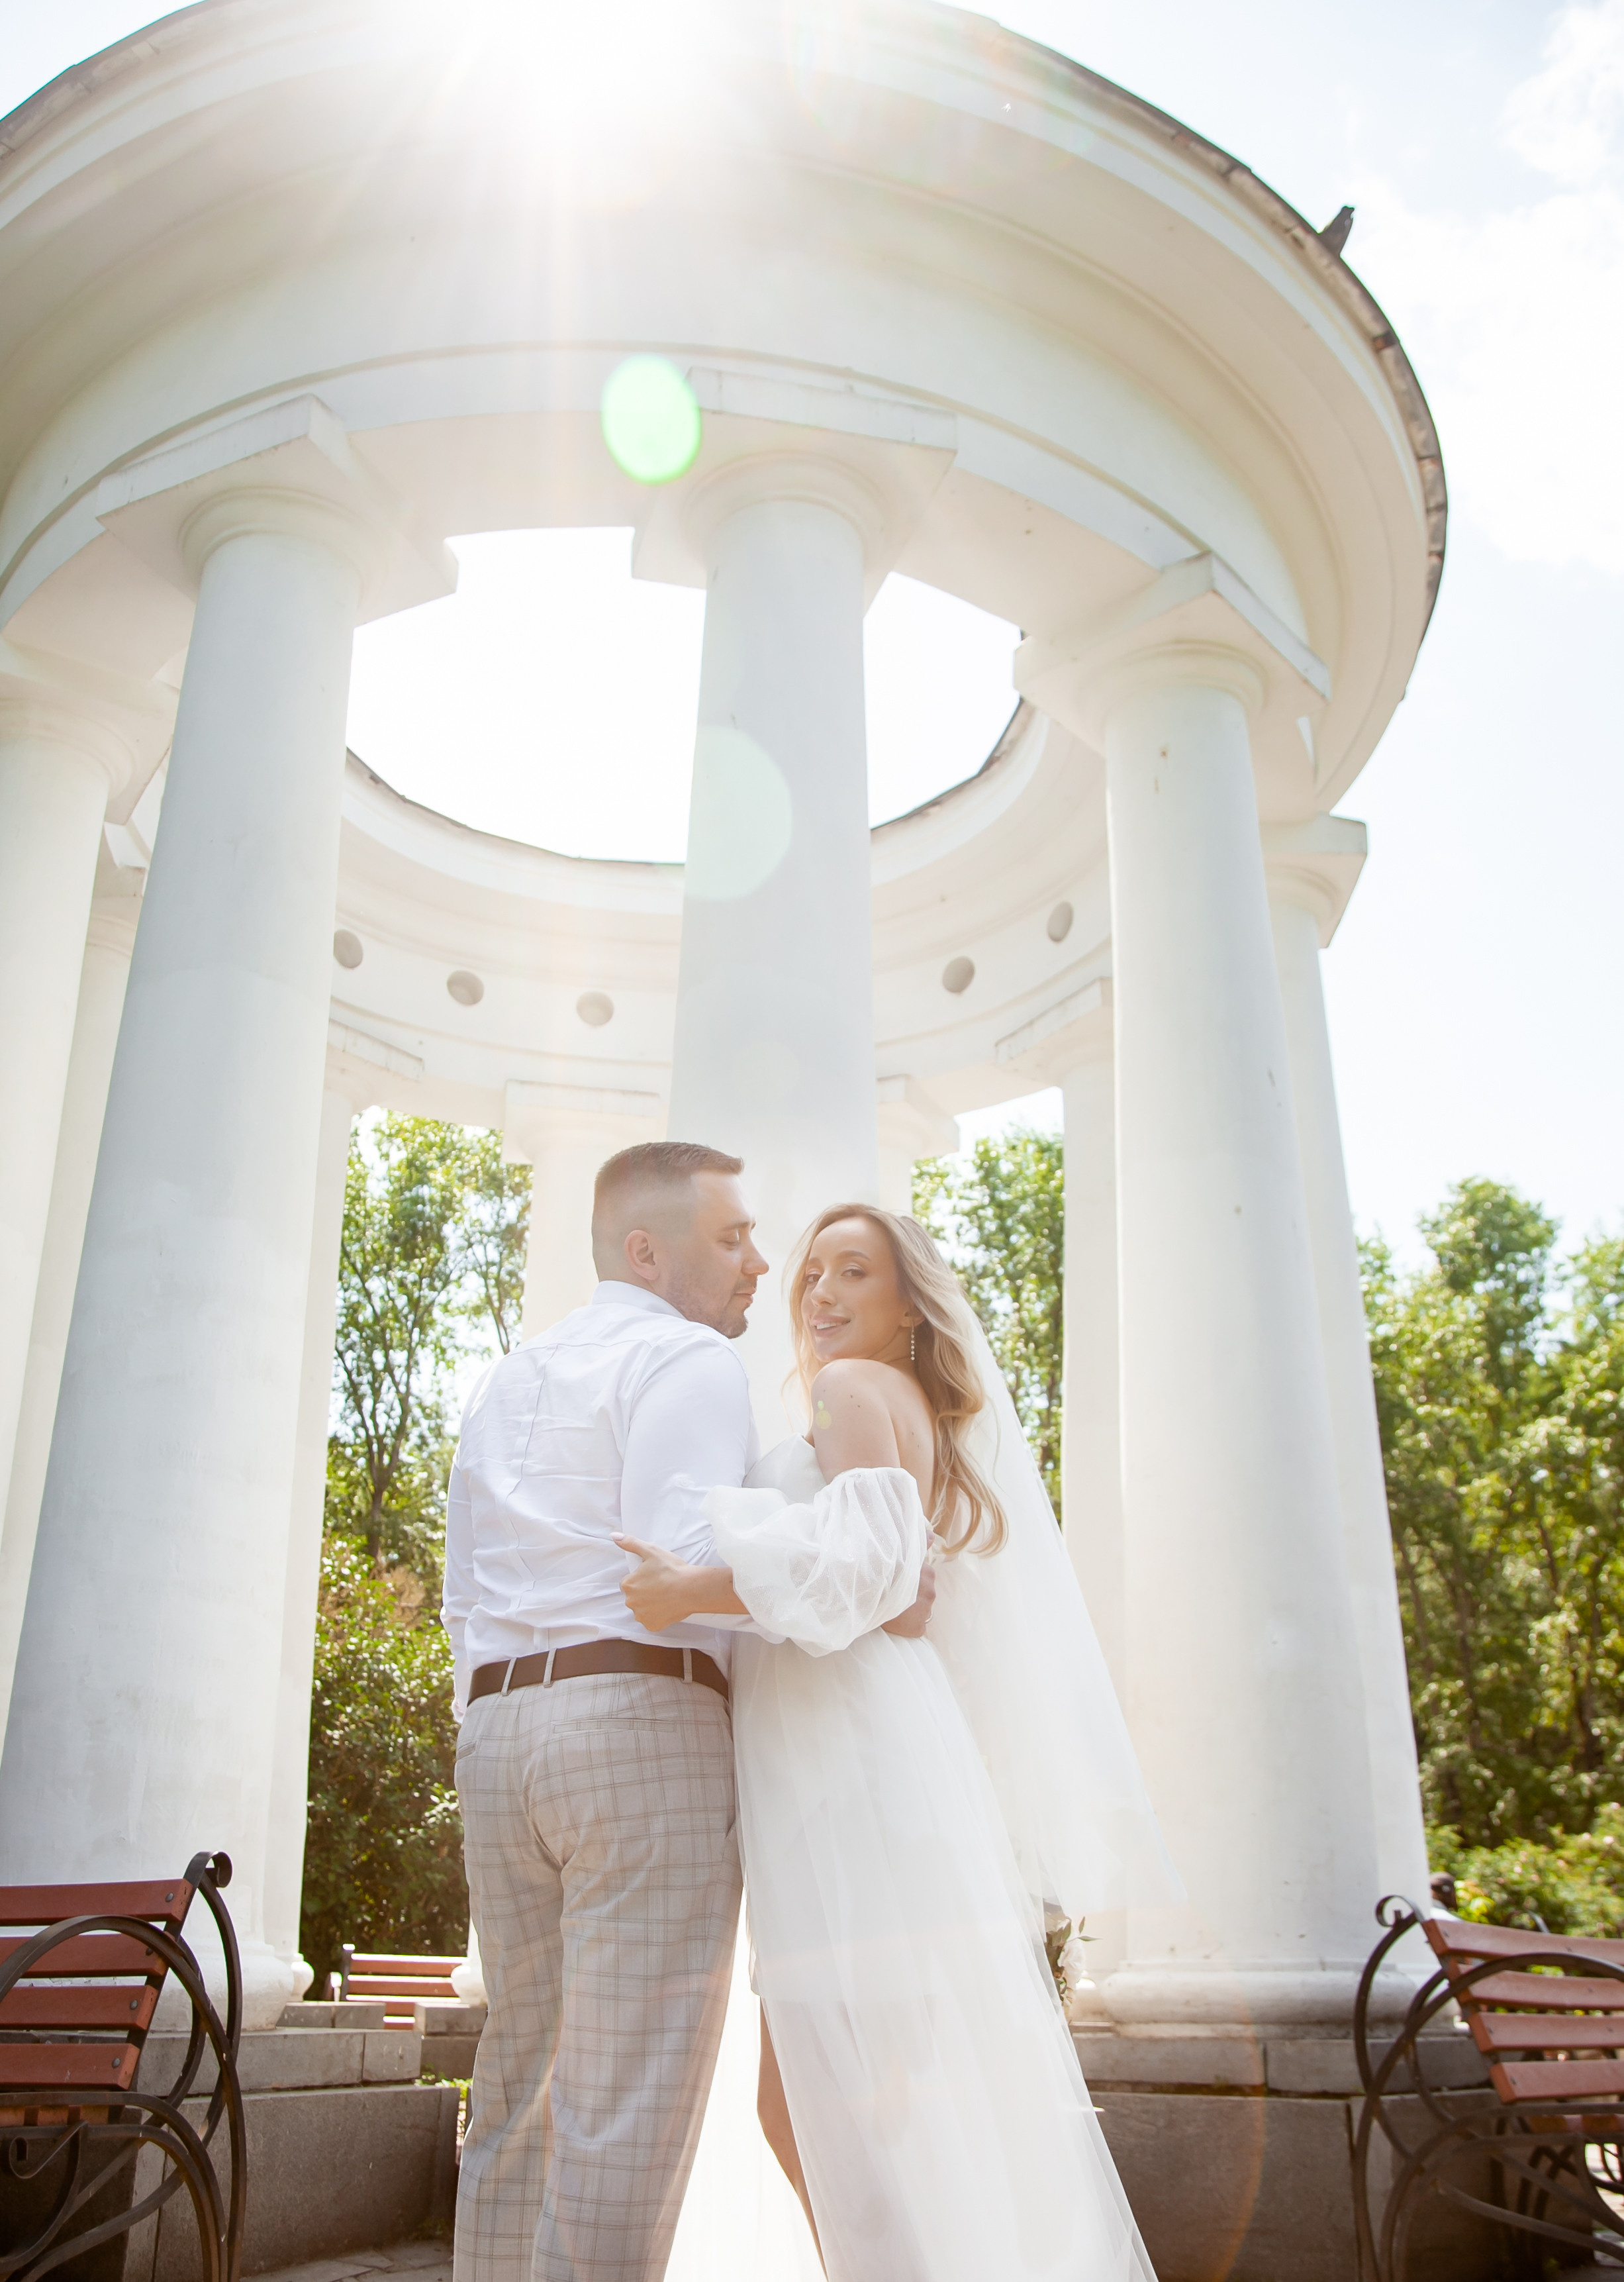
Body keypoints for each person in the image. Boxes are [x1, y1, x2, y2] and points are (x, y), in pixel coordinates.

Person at [619, 1203, 1180, 2281]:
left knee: (817, 2097)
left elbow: (873, 1567)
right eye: (813, 1273)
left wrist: (685, 1586)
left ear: (906, 1305)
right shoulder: (896, 1401)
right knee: (855, 2093)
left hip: (846, 1754)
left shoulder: (849, 1390)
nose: (821, 1292)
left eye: (854, 1273)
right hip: (855, 1742)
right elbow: (900, 1584)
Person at [443, 1145, 931, 2282]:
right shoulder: (687, 1358)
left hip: (495, 1735)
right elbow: (679, 1553)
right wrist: (859, 1567)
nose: (761, 1263)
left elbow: (464, 1587)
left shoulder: (509, 1374)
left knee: (516, 2088)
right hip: (637, 1724)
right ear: (645, 1251)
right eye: (733, 1239)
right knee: (622, 2104)